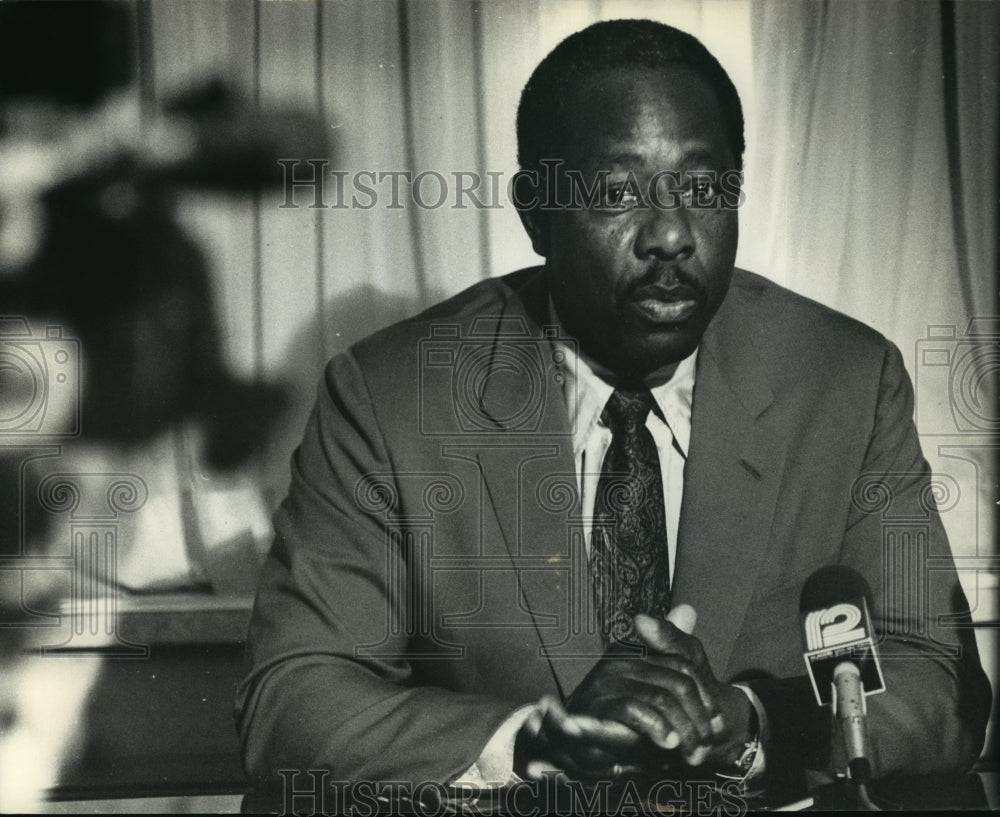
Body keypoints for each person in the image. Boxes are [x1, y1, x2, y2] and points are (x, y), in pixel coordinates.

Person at [236, 19, 990, 805]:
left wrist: (751, 722)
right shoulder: (391, 396)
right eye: (617, 193)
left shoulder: (846, 381)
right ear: (535, 211)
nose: (669, 235)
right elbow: (289, 698)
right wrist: (530, 741)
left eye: (703, 189)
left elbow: (939, 684)